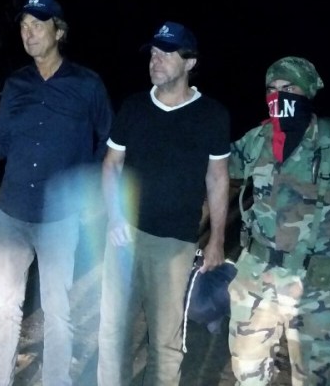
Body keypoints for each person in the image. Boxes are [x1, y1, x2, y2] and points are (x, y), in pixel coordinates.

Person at [0, 0, 113, 385]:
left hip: (59, 217)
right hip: (11, 213)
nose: (28, 33)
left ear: (58, 31)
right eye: (23, 26)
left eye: (37, 25)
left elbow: (110, 143)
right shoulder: (16, 84)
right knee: (5, 307)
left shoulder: (87, 84)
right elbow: (0, 143)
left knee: (57, 311)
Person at [227, 56, 330, 385]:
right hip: (256, 278)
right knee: (247, 374)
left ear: (307, 92)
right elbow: (216, 170)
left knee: (317, 378)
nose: (278, 96)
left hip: (317, 283)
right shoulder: (257, 139)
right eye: (271, 89)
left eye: (288, 88)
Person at [97, 21, 231, 385]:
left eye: (166, 53)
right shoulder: (134, 107)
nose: (155, 60)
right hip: (125, 239)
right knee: (112, 334)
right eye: (153, 53)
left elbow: (218, 179)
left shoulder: (212, 115)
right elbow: (111, 166)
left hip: (175, 243)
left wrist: (216, 239)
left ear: (189, 63)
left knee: (166, 341)